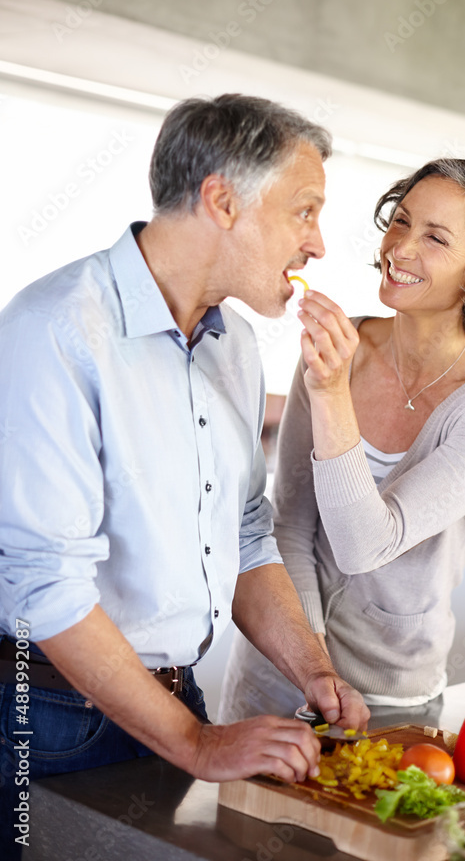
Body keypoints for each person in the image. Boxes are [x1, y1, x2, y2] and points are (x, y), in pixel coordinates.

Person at [0, 95, 369, 856]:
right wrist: (197, 744)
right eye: (304, 211)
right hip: (47, 716)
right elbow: (43, 583)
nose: (318, 244)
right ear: (222, 200)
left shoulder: (231, 344)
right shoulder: (55, 329)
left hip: (173, 698)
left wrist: (312, 669)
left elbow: (241, 530)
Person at [219, 157, 465, 725]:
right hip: (276, 673)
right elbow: (290, 522)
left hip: (389, 696)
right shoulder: (340, 351)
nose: (400, 247)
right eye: (401, 221)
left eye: (435, 237)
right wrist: (312, 665)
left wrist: (332, 393)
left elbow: (366, 544)